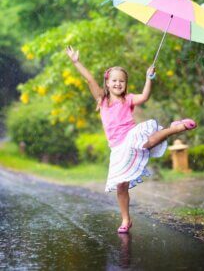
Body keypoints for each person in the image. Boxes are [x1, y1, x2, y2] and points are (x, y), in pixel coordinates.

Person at [65, 45, 197, 234]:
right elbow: (89, 79)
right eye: (114, 81)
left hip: (131, 135)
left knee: (147, 142)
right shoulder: (102, 101)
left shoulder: (128, 99)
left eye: (122, 81)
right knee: (121, 186)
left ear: (125, 85)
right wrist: (76, 61)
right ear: (107, 83)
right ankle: (126, 219)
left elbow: (144, 96)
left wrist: (148, 78)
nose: (118, 84)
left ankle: (173, 128)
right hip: (117, 147)